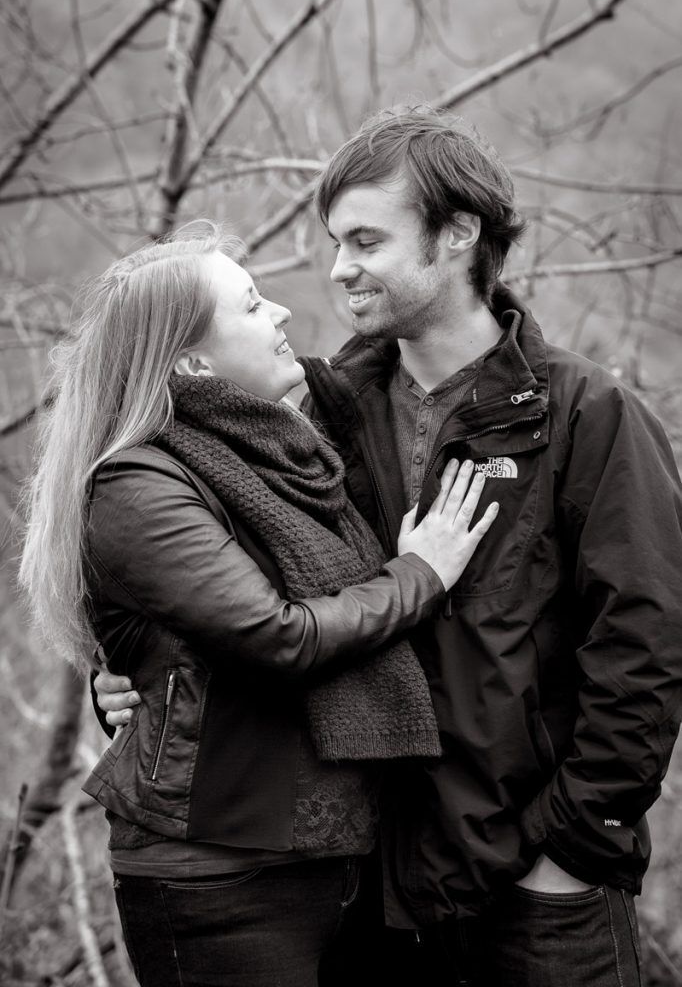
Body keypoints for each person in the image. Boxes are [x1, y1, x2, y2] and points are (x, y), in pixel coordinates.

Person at [95, 107, 682, 987]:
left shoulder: (587, 416)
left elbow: (647, 647)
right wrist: (136, 677)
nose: (339, 270)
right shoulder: (320, 410)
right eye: (335, 241)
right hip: (370, 890)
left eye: (365, 240)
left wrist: (572, 847)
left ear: (457, 234)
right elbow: (202, 581)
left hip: (540, 892)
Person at [19, 224, 500, 987]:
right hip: (216, 878)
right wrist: (420, 574)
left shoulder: (285, 450)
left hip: (327, 850)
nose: (279, 312)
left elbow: (180, 640)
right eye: (250, 305)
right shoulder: (138, 486)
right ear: (192, 362)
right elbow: (278, 637)